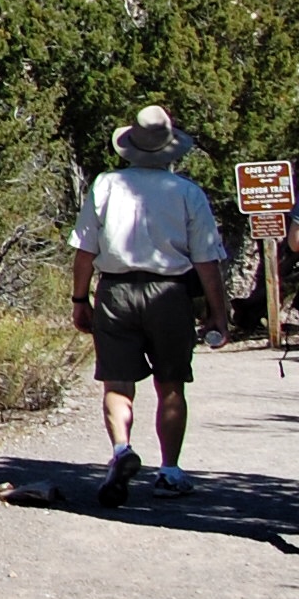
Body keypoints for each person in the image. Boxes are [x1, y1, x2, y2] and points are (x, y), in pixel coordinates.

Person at [69, 105, 229, 506]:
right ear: (170, 150)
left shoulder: (106, 185)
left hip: (116, 291)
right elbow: (207, 260)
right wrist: (218, 313)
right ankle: (170, 470)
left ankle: (122, 451)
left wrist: (79, 298)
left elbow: (85, 251)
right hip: (169, 293)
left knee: (117, 383)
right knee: (171, 384)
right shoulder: (188, 194)